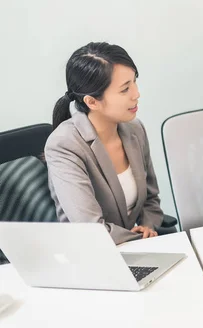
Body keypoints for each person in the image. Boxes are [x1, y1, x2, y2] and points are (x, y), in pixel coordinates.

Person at [45, 42, 164, 244]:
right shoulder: (64, 145)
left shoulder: (135, 129)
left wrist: (148, 228)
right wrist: (137, 238)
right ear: (92, 102)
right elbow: (91, 228)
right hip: (93, 254)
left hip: (137, 247)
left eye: (134, 82)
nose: (136, 94)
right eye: (125, 89)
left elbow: (151, 200)